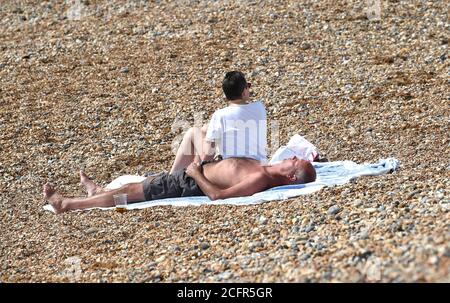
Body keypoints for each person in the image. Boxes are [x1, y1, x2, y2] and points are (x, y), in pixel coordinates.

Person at [44, 156, 316, 214]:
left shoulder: (262, 178)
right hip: (190, 177)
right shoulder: (266, 170)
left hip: (188, 183)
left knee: (132, 193)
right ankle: (95, 193)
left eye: (295, 161)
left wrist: (197, 172)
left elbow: (217, 196)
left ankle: (67, 204)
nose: (292, 157)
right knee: (136, 188)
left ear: (291, 177)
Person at [169, 71, 267, 174]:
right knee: (206, 129)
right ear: (244, 92)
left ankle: (173, 176)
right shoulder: (259, 108)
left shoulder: (220, 115)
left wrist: (200, 165)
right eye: (248, 86)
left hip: (233, 169)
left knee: (192, 132)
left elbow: (208, 155)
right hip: (258, 165)